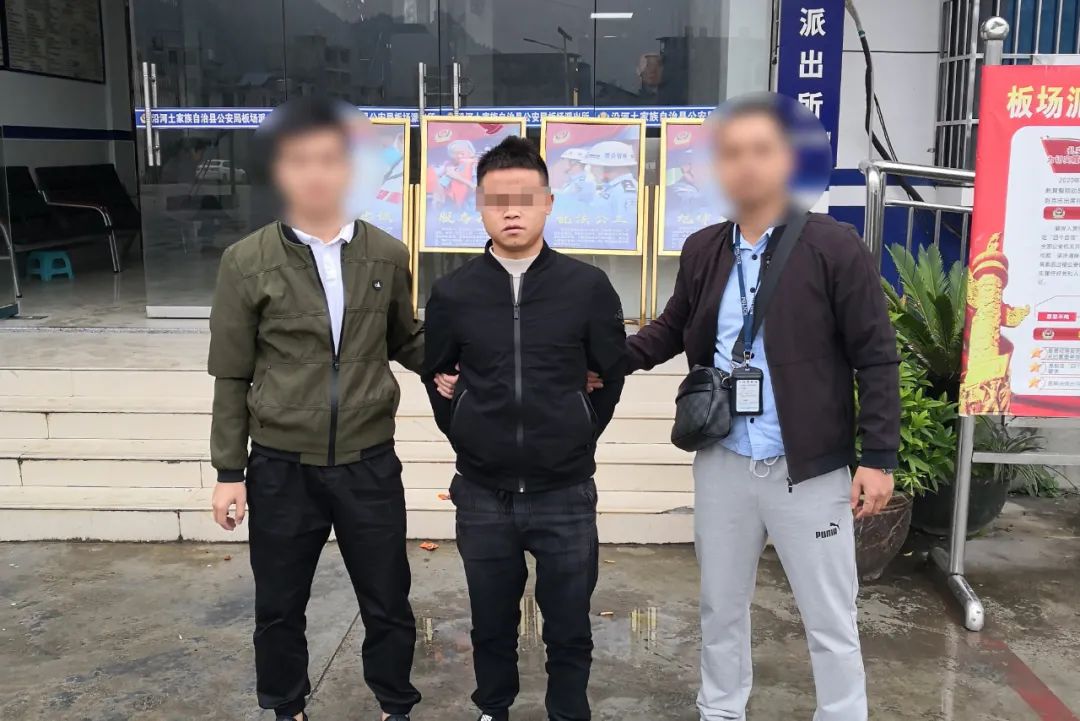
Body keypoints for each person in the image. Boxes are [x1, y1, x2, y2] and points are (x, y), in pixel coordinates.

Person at [628, 96, 900, 721]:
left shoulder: (834, 246)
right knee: (720, 606)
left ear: (787, 160)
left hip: (808, 467)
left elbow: (876, 355)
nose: (746, 165)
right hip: (723, 459)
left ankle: (842, 713)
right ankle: (720, 709)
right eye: (731, 153)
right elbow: (670, 329)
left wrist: (878, 456)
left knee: (829, 613)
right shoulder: (703, 248)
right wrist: (600, 358)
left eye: (761, 150)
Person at [208, 96, 423, 721]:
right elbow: (232, 372)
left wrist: (471, 363)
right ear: (280, 171)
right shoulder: (246, 262)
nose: (315, 174)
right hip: (281, 466)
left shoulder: (387, 254)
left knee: (388, 599)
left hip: (368, 462)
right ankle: (287, 707)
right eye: (299, 160)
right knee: (279, 606)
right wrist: (229, 472)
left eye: (329, 160)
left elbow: (407, 339)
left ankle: (395, 705)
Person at [422, 136, 627, 721]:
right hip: (482, 493)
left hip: (564, 491)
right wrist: (467, 427)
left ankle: (568, 711)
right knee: (490, 623)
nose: (511, 212)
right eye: (497, 200)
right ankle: (494, 708)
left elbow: (610, 373)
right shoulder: (453, 292)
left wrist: (577, 428)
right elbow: (436, 374)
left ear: (549, 203)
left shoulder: (586, 287)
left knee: (569, 625)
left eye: (525, 199)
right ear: (479, 206)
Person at [585, 140, 638, 221]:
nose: (591, 171)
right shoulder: (613, 187)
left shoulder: (625, 192)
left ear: (607, 167)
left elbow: (626, 224)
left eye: (593, 166)